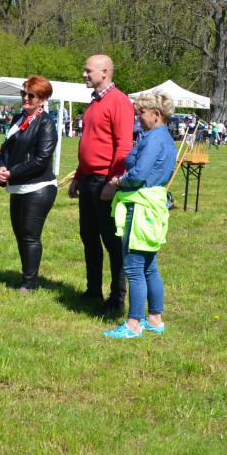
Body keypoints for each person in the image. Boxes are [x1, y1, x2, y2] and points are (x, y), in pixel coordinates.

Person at [104, 90, 176, 338]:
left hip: (140, 205)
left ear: (157, 114)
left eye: (141, 112)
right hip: (154, 205)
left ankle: (133, 324)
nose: (137, 117)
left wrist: (118, 182)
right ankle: (154, 319)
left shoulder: (154, 139)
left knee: (134, 267)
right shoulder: (165, 137)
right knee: (149, 266)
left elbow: (138, 174)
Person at [67, 55, 134, 316]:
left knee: (112, 242)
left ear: (104, 72)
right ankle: (93, 289)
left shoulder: (119, 101)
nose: (83, 74)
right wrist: (77, 177)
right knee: (89, 237)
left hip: (106, 182)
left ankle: (116, 299)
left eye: (87, 71)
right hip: (89, 180)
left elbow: (123, 146)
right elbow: (89, 144)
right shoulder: (94, 102)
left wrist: (113, 182)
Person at [0, 76, 58, 293]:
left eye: (31, 95)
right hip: (18, 185)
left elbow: (41, 160)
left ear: (42, 99)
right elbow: (5, 148)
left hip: (38, 187)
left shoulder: (46, 123)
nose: (25, 98)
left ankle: (29, 284)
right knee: (20, 234)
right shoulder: (18, 118)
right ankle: (27, 278)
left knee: (30, 235)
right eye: (23, 93)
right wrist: (3, 169)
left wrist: (12, 172)